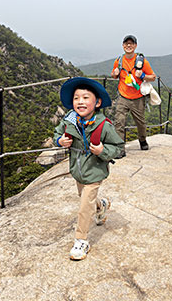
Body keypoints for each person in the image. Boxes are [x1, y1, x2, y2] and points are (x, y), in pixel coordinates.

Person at [54, 77, 124, 260]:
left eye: (86, 97)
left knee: (85, 206)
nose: (80, 102)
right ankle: (102, 206)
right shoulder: (70, 120)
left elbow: (118, 147)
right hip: (77, 170)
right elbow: (57, 133)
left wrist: (103, 150)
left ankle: (81, 240)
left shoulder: (104, 125)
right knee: (86, 198)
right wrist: (60, 141)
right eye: (76, 98)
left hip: (94, 170)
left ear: (97, 102)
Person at [111, 34, 156, 157]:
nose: (128, 45)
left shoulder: (142, 61)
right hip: (123, 96)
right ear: (123, 45)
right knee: (119, 122)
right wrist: (114, 74)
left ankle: (142, 140)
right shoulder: (119, 61)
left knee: (140, 122)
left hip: (137, 98)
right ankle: (120, 148)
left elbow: (152, 77)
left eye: (131, 43)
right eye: (126, 43)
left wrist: (142, 76)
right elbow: (114, 75)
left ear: (135, 46)